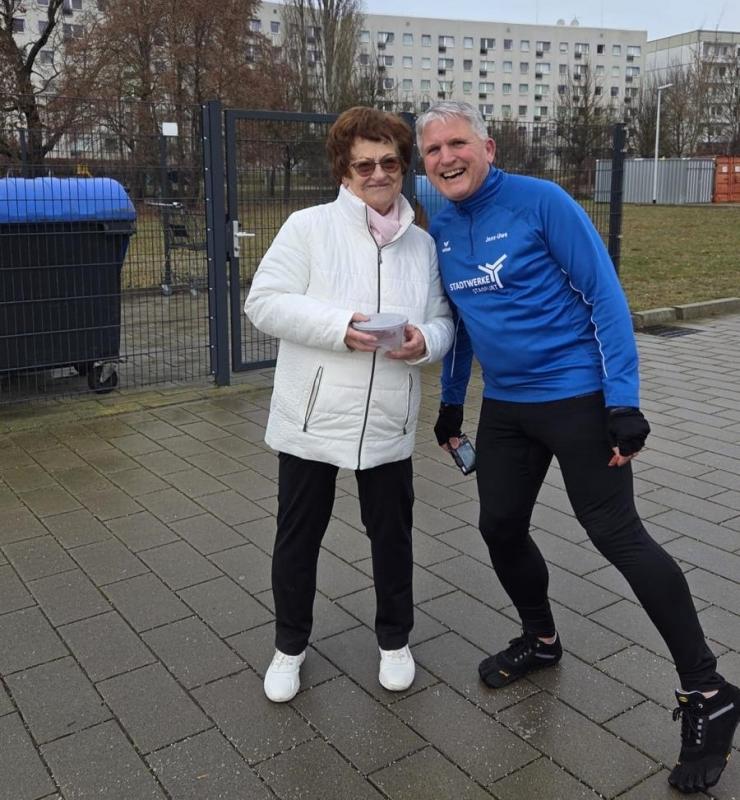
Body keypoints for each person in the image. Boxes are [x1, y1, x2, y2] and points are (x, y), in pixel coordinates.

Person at [416, 101, 739, 795]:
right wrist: (451, 403)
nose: (446, 157)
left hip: (577, 396)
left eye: (458, 143)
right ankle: (541, 640)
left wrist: (623, 401)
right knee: (500, 526)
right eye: (433, 149)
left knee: (617, 535)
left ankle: (708, 690)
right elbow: (461, 322)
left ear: (488, 148)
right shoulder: (440, 225)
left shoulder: (542, 203)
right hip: (506, 407)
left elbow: (605, 297)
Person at [245, 107, 453, 703]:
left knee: (392, 537)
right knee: (298, 538)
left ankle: (395, 641)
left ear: (403, 166)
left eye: (389, 161)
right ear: (344, 169)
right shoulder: (308, 227)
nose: (378, 174)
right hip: (312, 416)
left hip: (388, 416)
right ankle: (289, 647)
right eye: (364, 164)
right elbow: (264, 303)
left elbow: (442, 320)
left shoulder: (422, 244)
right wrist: (341, 326)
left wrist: (423, 342)